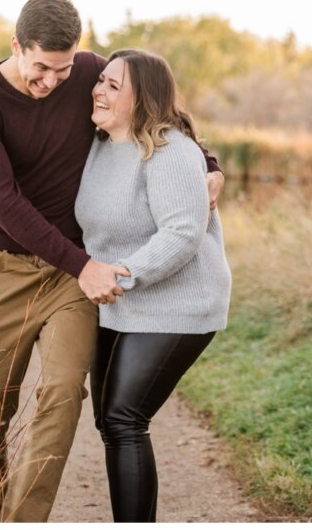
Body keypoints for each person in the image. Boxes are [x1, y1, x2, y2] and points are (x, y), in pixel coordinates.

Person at [0, 0, 224, 522]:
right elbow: (5, 203)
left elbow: (156, 110)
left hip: (74, 274)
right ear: (16, 46)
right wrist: (85, 267)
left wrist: (206, 163)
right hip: (4, 269)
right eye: (40, 69)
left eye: (64, 68)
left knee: (59, 396)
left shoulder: (91, 73)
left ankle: (25, 520)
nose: (52, 81)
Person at [75, 49, 232, 522]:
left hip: (180, 303)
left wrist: (120, 275)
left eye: (113, 86)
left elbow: (184, 235)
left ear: (143, 100)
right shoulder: (100, 144)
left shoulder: (170, 151)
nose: (98, 90)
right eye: (100, 80)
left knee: (124, 418)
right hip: (123, 300)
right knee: (110, 419)